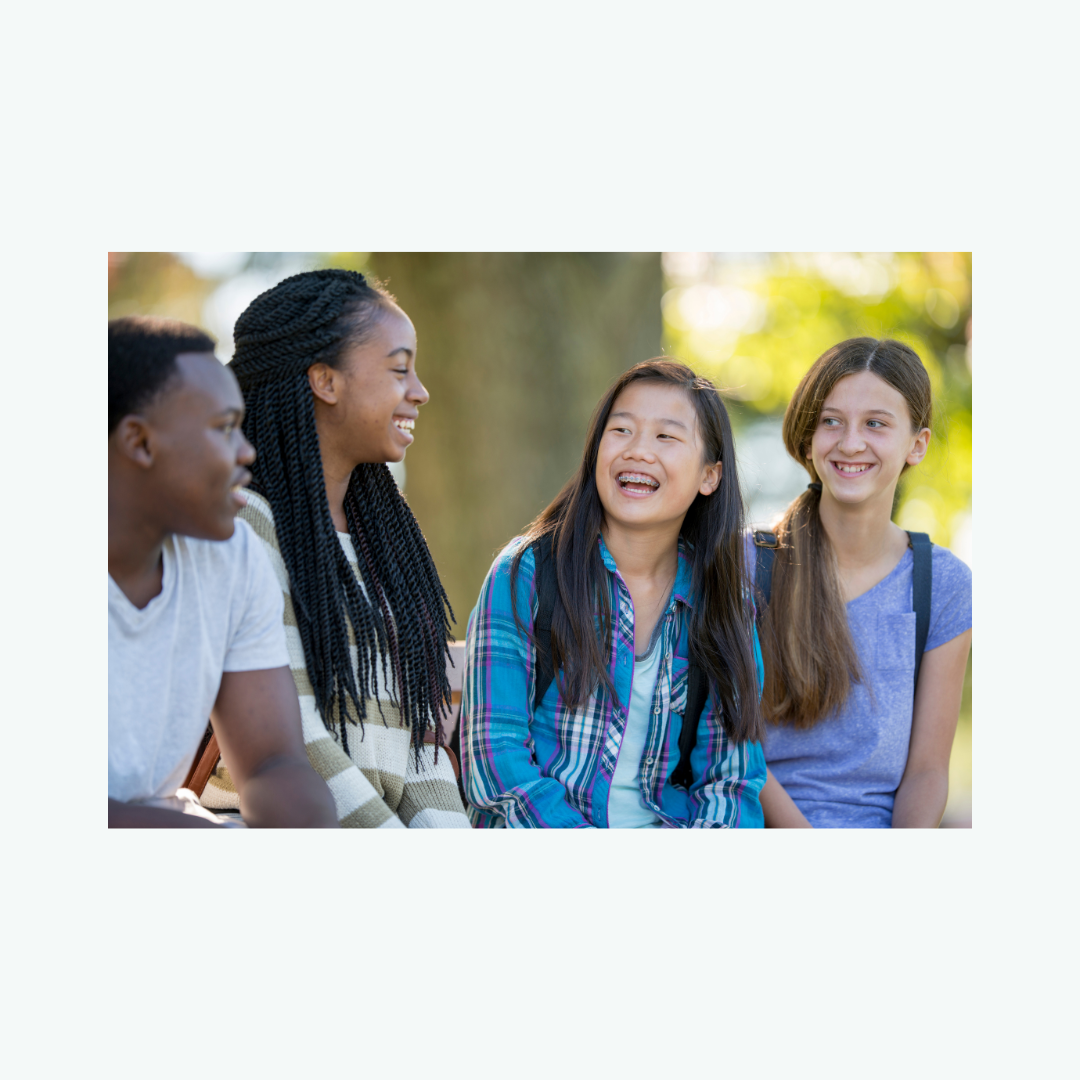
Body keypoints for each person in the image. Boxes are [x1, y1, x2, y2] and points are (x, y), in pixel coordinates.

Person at [199, 269, 469, 828]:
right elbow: (293, 739)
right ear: (325, 381)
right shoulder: (244, 526)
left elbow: (419, 756)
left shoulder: (384, 546)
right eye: (399, 370)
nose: (420, 391)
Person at [460, 359, 767, 828]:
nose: (639, 451)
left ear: (710, 476)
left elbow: (730, 782)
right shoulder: (526, 573)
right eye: (621, 430)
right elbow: (495, 760)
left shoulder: (726, 604)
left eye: (666, 436)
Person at [108, 316, 339, 828]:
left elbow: (271, 762)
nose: (246, 452)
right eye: (223, 428)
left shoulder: (232, 556)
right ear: (140, 442)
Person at [754, 337, 972, 829]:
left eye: (875, 424)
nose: (850, 442)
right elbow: (733, 746)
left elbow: (928, 773)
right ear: (810, 437)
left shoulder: (944, 586)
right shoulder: (750, 565)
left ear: (916, 445)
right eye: (831, 421)